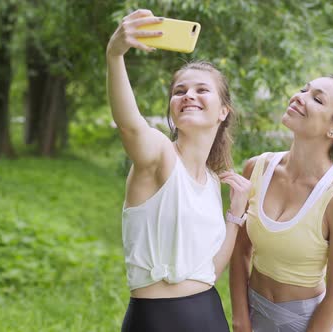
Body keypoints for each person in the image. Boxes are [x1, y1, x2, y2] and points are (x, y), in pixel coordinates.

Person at [107, 9, 251, 332]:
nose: (189, 95)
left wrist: (236, 215)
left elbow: (209, 271)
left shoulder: (213, 182)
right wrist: (115, 55)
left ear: (223, 111)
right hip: (157, 321)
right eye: (180, 91)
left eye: (202, 90)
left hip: (209, 316)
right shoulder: (159, 156)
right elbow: (130, 127)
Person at [229, 75, 333, 332]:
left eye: (317, 99)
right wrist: (241, 318)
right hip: (253, 313)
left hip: (309, 323)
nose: (299, 97)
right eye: (303, 90)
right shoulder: (256, 168)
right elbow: (240, 249)